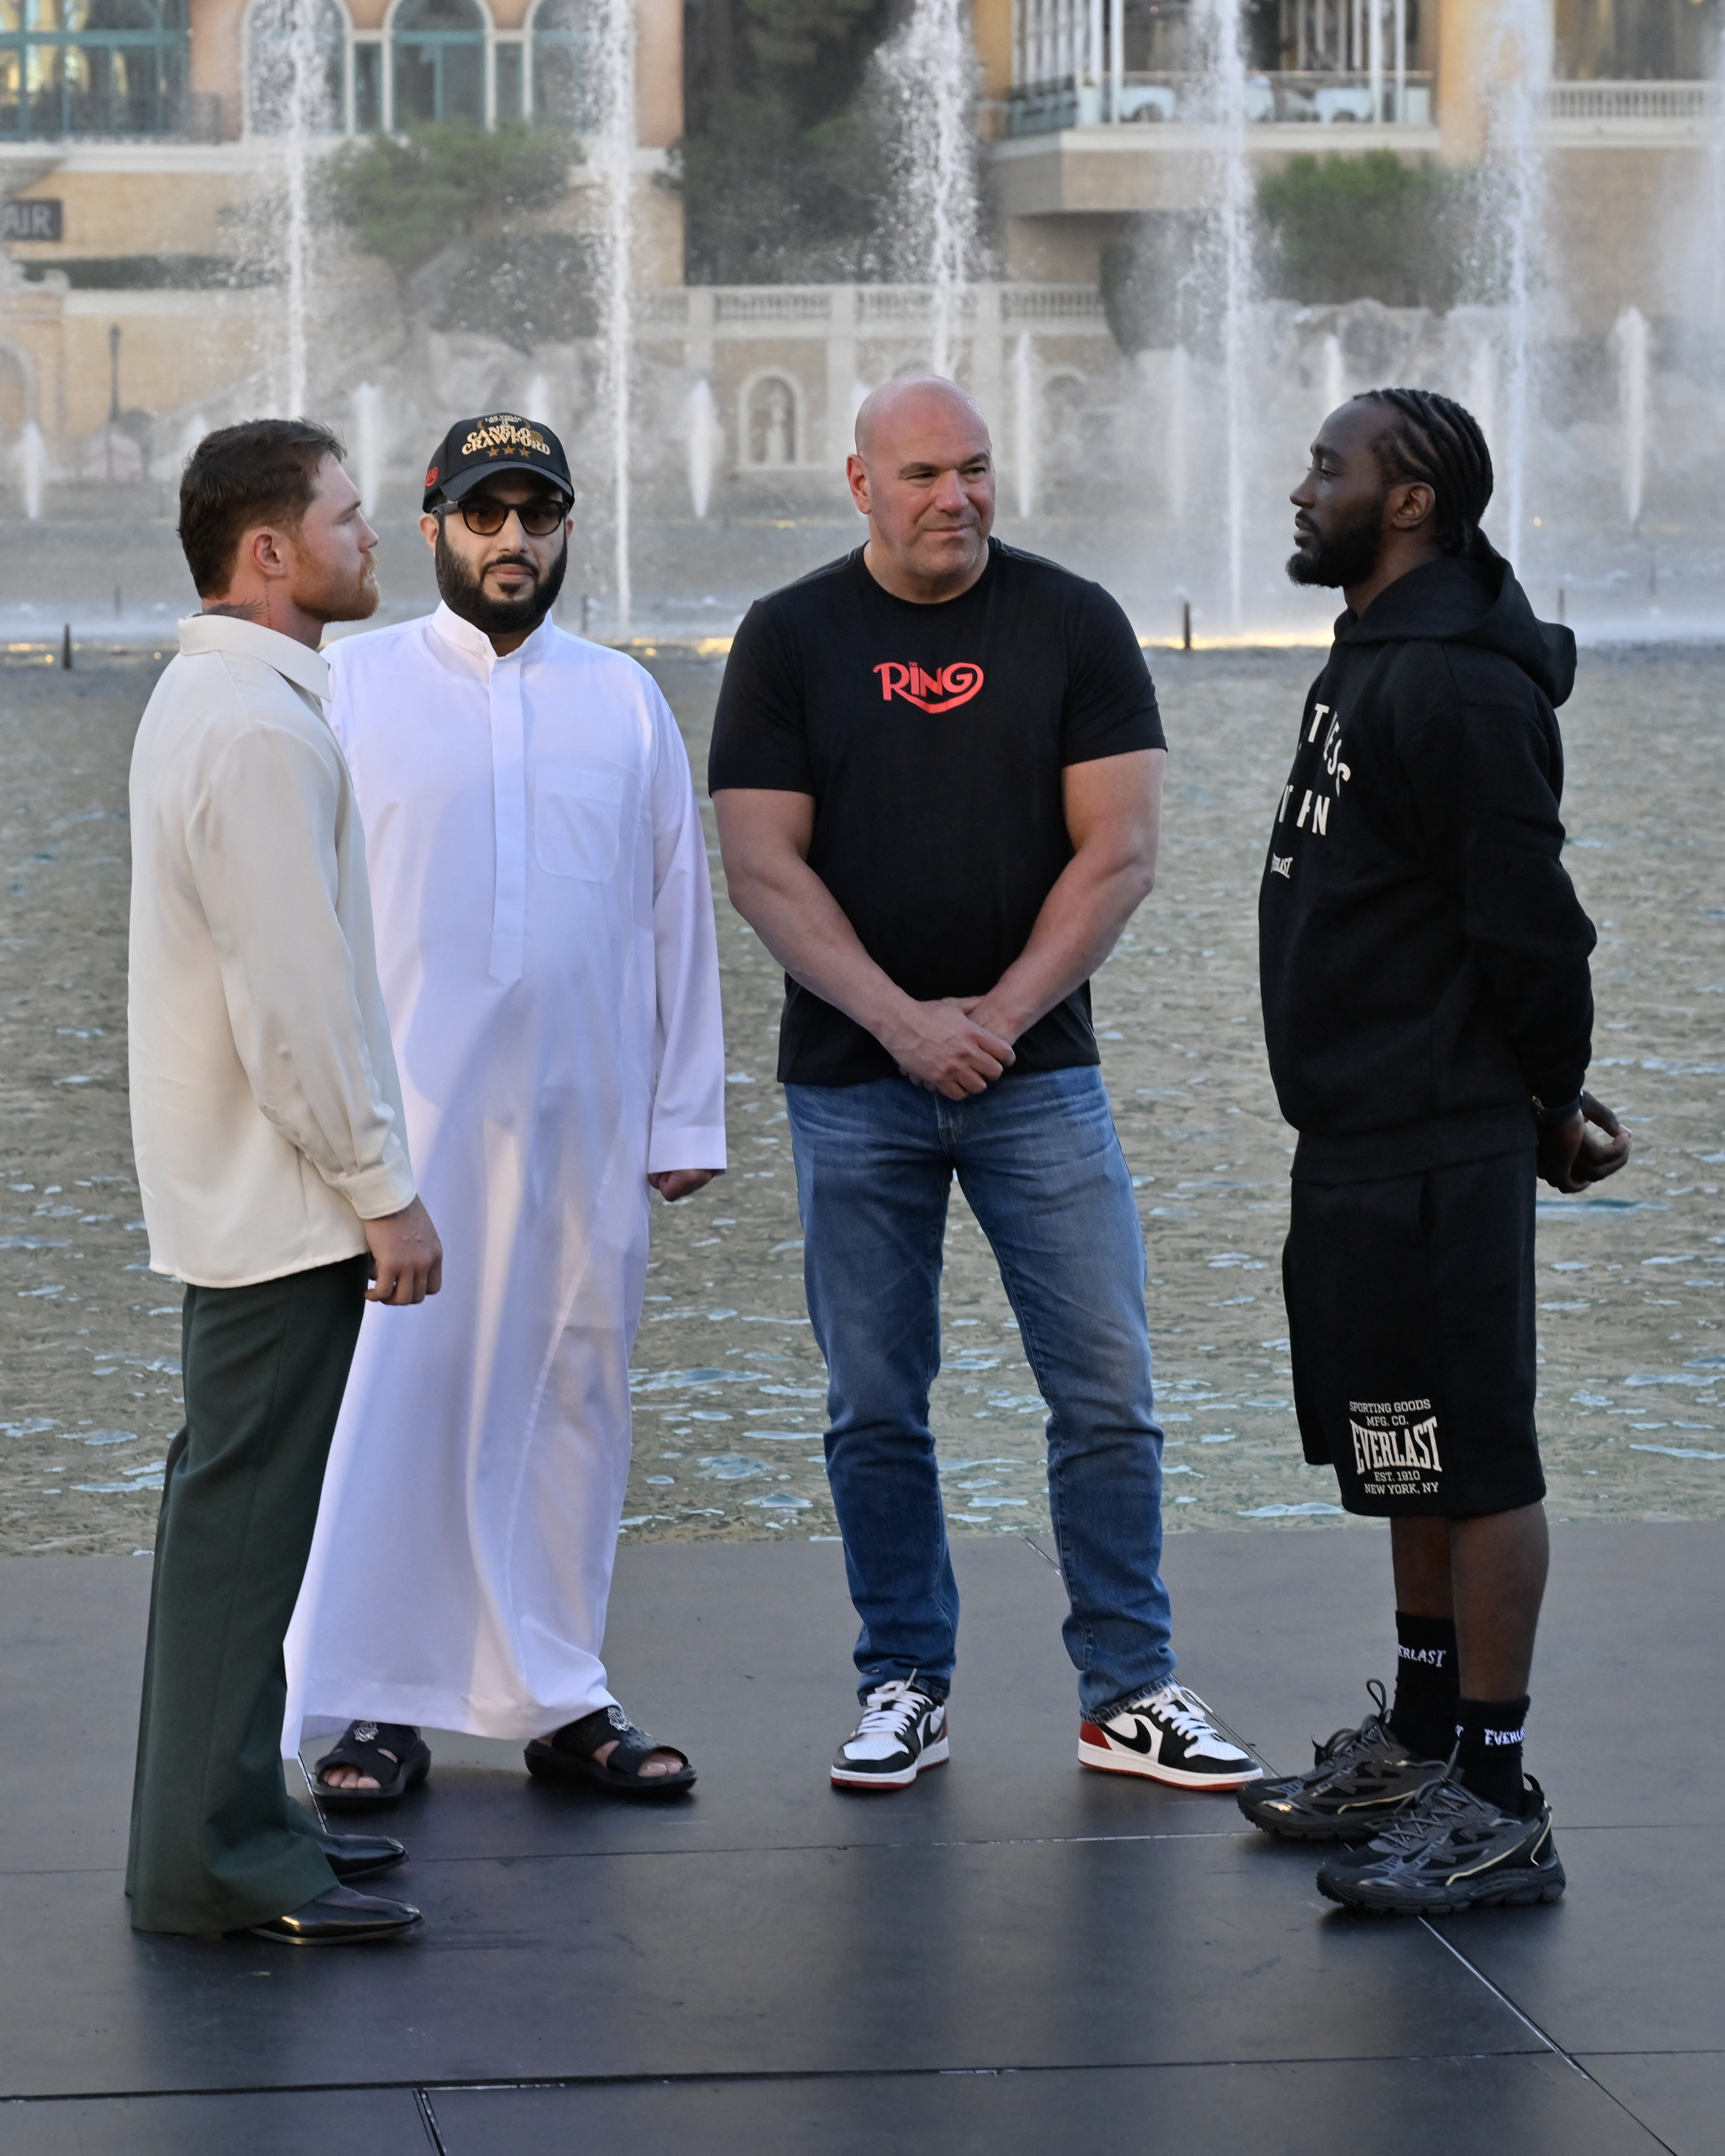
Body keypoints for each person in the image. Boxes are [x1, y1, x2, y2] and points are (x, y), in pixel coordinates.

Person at [708, 375, 1260, 1796]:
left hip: (1037, 1081)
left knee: (1106, 1393)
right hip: (852, 1081)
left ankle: (1127, 1688)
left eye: (974, 468)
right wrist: (901, 1024)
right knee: (875, 1405)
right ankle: (905, 1683)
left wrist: (996, 1020)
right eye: (920, 474)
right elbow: (764, 865)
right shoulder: (788, 637)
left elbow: (1120, 852)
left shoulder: (1072, 622)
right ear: (858, 484)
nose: (952, 496)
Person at [284, 413, 725, 1804]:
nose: (513, 540)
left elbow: (678, 917)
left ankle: (559, 1690)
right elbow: (297, 918)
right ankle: (367, 1700)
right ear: (434, 529)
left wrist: (681, 1117)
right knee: (391, 1403)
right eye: (486, 515)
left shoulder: (623, 698)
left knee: (570, 1396)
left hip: (586, 1128)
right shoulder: (351, 687)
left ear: (565, 530)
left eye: (537, 514)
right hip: (401, 1137)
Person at [1239, 387, 1631, 1913]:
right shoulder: (1371, 654)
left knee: (1475, 1457)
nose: (1300, 484)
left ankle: (1495, 1787)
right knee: (1395, 1436)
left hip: (1440, 1137)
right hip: (1351, 1134)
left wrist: (1548, 1097)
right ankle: (1411, 1736)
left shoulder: (1463, 688)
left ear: (1408, 501)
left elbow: (1527, 921)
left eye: (1325, 467)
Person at [127, 419, 443, 1946]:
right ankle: (210, 1862)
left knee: (235, 1531)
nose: (371, 534)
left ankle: (238, 1817)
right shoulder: (255, 728)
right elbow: (293, 1001)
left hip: (254, 1195)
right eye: (347, 514)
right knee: (243, 1541)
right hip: (276, 1206)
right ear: (271, 552)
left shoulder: (228, 703)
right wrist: (381, 1187)